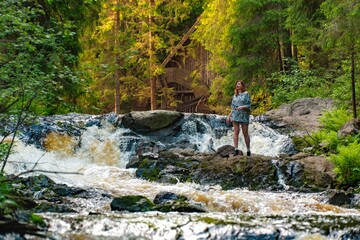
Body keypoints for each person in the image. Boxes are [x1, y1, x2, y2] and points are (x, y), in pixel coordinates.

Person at [226, 80, 251, 156]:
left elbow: (249, 105)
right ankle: (236, 150)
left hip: (244, 115)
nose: (237, 85)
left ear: (242, 86)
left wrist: (242, 107)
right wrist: (229, 116)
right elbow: (233, 107)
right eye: (236, 84)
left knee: (245, 133)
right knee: (236, 132)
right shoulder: (235, 95)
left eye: (239, 84)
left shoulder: (246, 94)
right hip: (235, 115)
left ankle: (248, 150)